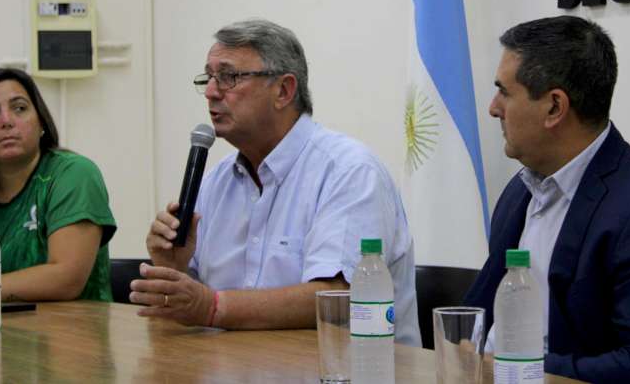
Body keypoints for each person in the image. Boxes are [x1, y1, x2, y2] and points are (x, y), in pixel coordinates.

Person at [133, 18, 421, 345]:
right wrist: (174, 268)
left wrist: (213, 307)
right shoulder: (215, 182)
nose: (211, 92)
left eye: (228, 77)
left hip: (347, 368)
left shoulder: (349, 171)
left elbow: (337, 296)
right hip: (234, 365)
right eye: (208, 78)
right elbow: (190, 304)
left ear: (283, 91)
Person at [464, 15, 630, 382]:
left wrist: (517, 370)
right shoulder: (520, 192)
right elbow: (475, 320)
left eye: (504, 92)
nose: (493, 108)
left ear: (554, 107)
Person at [0, 68, 117, 301]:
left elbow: (66, 278)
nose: (6, 121)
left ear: (41, 122)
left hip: (75, 323)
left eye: (19, 108)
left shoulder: (73, 174)